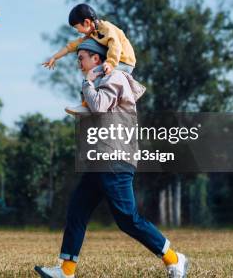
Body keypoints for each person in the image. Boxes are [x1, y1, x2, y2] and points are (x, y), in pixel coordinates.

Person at [34, 39, 189, 278]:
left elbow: (98, 106)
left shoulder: (114, 78)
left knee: (128, 219)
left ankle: (174, 258)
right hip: (100, 161)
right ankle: (66, 270)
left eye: (81, 58)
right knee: (77, 210)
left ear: (97, 59)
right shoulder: (100, 81)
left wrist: (87, 82)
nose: (79, 64)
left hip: (115, 160)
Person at [43, 3, 136, 76]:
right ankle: (88, 98)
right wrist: (54, 57)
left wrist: (110, 63)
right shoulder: (92, 34)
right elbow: (71, 47)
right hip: (116, 61)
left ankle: (97, 97)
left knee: (96, 73)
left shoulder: (106, 28)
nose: (78, 31)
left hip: (124, 62)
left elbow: (115, 45)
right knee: (92, 73)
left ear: (87, 22)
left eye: (77, 27)